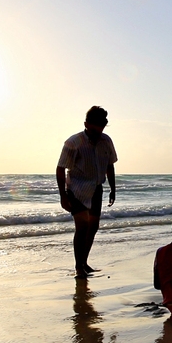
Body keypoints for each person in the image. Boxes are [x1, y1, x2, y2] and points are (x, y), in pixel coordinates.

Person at [57, 106, 118, 277]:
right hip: (76, 189)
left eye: (99, 130)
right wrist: (63, 195)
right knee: (82, 227)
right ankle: (78, 267)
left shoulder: (106, 141)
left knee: (93, 227)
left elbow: (109, 165)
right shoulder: (73, 143)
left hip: (96, 188)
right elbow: (60, 168)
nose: (96, 134)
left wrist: (113, 188)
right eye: (92, 130)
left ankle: (84, 262)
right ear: (85, 124)